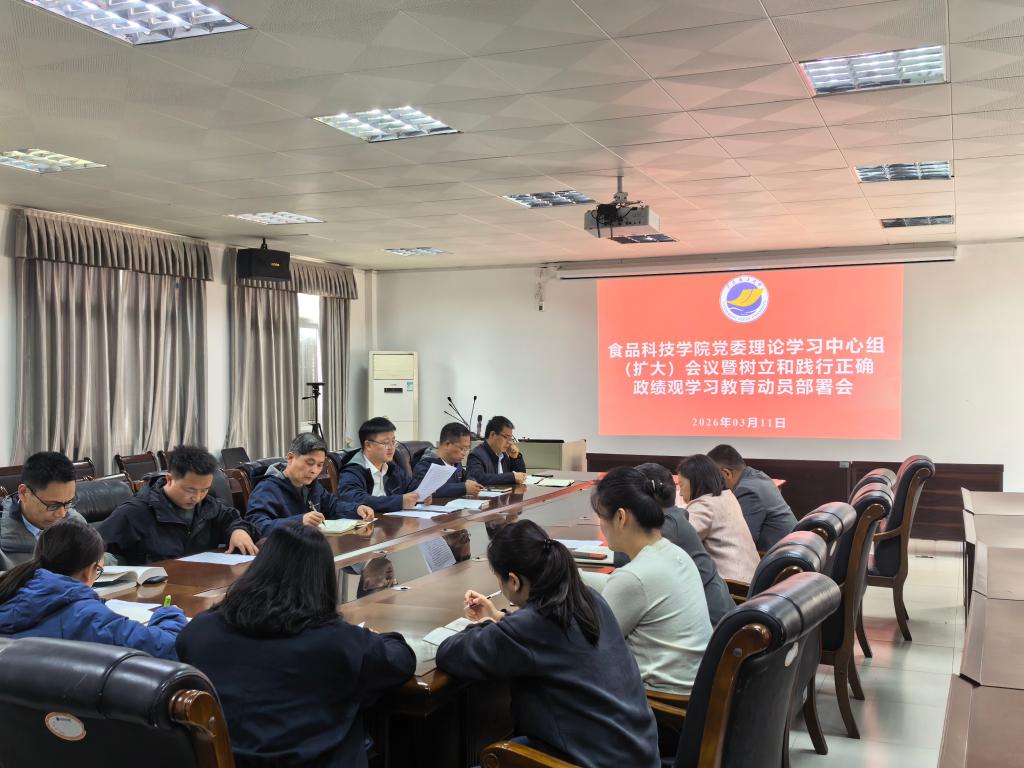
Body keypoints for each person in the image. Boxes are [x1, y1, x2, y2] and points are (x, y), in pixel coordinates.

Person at [176, 522, 415, 768]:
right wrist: (378, 638)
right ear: (322, 580)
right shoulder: (337, 641)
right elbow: (401, 661)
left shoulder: (200, 631)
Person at [435, 520, 659, 768]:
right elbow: (542, 637)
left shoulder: (532, 625)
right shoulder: (589, 598)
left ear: (514, 581)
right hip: (637, 755)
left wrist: (485, 626)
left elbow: (450, 653)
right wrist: (501, 619)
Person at [584, 467, 712, 695]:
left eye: (601, 516)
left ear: (621, 517)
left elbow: (593, 645)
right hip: (695, 691)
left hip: (658, 702)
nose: (600, 524)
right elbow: (619, 587)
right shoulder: (672, 552)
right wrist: (570, 573)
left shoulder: (634, 577)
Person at [0, 519, 186, 659]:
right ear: (89, 571)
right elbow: (169, 648)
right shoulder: (87, 617)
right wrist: (169, 615)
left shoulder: (10, 588)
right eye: (98, 570)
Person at [98, 445, 259, 565]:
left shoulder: (209, 507)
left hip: (200, 584)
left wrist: (239, 531)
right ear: (169, 479)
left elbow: (234, 520)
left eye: (205, 490)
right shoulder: (134, 512)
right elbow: (95, 550)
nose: (197, 497)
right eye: (190, 490)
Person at [633, 463, 734, 625]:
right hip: (717, 614)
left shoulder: (667, 527)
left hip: (710, 624)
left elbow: (628, 563)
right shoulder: (676, 517)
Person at [246, 433, 373, 538]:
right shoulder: (267, 488)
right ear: (290, 458)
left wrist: (356, 509)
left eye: (319, 465)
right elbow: (256, 525)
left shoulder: (312, 485)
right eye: (309, 463)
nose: (314, 471)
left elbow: (333, 506)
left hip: (311, 547)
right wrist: (299, 521)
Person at [1, 451, 99, 570]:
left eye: (68, 503)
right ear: (24, 493)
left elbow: (99, 559)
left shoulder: (75, 521)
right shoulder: (3, 536)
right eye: (53, 505)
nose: (62, 514)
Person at [677, 454, 760, 583]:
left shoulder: (704, 505)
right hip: (753, 579)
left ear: (694, 481)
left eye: (681, 485)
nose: (681, 493)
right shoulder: (726, 496)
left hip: (734, 586)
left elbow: (679, 539)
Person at [707, 444, 797, 551]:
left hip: (779, 557)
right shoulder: (758, 476)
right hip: (789, 549)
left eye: (713, 477)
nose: (712, 484)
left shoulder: (747, 491)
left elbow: (740, 542)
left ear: (726, 474)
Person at [336, 417, 421, 513]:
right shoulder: (352, 471)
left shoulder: (391, 467)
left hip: (393, 520)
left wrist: (421, 496)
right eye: (386, 443)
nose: (391, 447)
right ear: (368, 445)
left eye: (393, 442)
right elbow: (354, 499)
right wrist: (399, 502)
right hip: (369, 521)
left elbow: (411, 486)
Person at [410, 422, 483, 499]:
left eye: (467, 449)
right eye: (462, 449)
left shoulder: (455, 463)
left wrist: (471, 481)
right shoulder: (425, 465)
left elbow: (466, 475)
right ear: (447, 444)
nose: (464, 453)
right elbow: (425, 490)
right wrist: (463, 488)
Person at [466, 416, 527, 486]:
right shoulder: (476, 455)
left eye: (510, 438)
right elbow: (478, 479)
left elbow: (521, 477)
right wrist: (511, 477)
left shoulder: (503, 455)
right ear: (492, 434)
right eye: (505, 437)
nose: (509, 442)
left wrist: (515, 458)